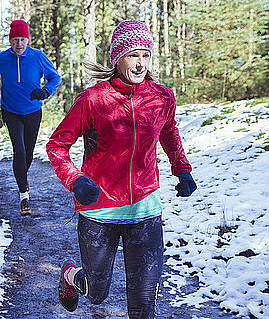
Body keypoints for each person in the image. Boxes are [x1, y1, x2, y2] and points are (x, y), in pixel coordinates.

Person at [46, 20, 197, 318]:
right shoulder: (93, 99)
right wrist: (75, 180)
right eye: (133, 55)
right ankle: (71, 276)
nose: (140, 64)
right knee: (97, 292)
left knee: (143, 307)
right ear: (118, 58)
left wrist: (182, 168)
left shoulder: (162, 97)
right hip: (100, 212)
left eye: (146, 55)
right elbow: (56, 146)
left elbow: (168, 133)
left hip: (146, 211)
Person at [0, 19, 61, 216]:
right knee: (18, 151)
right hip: (11, 112)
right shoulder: (1, 58)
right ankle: (23, 196)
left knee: (27, 154)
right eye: (15, 40)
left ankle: (23, 179)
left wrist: (45, 92)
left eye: (22, 39)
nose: (19, 44)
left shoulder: (37, 56)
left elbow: (55, 77)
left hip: (33, 112)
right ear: (10, 41)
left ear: (27, 40)